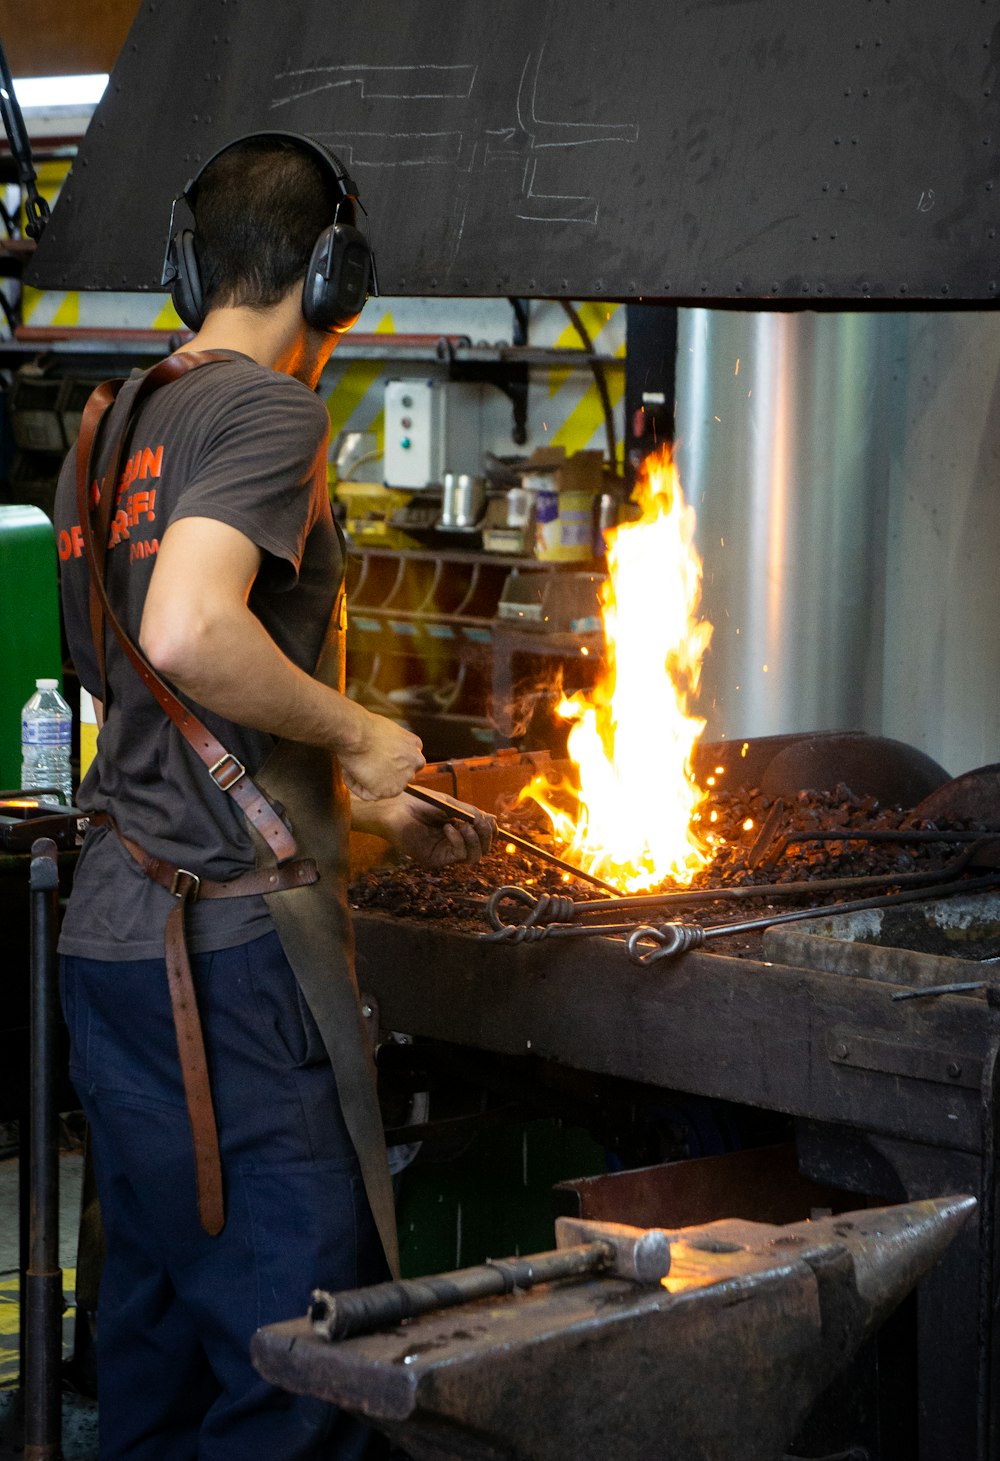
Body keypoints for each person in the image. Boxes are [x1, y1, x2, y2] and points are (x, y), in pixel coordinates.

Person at [53, 131, 494, 1459]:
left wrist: (355, 811)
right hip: (232, 976)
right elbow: (190, 634)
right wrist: (363, 734)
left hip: (115, 943)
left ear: (191, 264)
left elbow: (150, 708)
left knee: (157, 1356)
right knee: (301, 1375)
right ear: (335, 273)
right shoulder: (267, 410)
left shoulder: (105, 426)